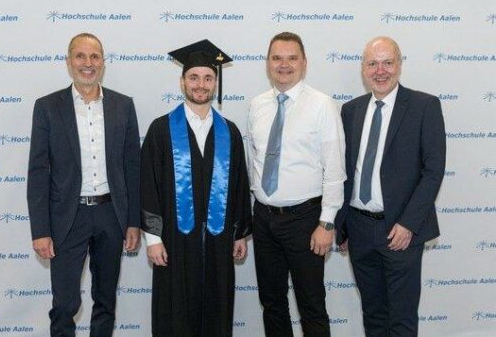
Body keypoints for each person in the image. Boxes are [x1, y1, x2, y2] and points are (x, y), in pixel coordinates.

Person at [27, 33, 140, 337]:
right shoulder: (48, 107)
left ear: (102, 63)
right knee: (65, 303)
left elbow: (132, 168)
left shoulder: (123, 106)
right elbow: (38, 172)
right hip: (67, 218)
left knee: (105, 300)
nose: (87, 64)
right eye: (80, 56)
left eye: (94, 57)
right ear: (68, 62)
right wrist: (41, 230)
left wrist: (133, 222)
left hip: (110, 216)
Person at [335, 36, 446, 337]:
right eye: (372, 63)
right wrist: (342, 225)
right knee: (373, 315)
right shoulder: (350, 110)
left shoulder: (425, 106)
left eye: (387, 62)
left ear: (399, 65)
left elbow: (433, 172)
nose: (380, 70)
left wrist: (408, 223)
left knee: (402, 319)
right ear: (363, 69)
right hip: (358, 229)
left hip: (400, 232)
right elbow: (345, 171)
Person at [140, 39, 252, 337]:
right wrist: (153, 238)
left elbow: (240, 185)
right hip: (174, 242)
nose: (200, 85)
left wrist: (240, 233)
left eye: (207, 78)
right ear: (182, 81)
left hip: (219, 241)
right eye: (194, 78)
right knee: (174, 311)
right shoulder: (161, 129)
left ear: (215, 82)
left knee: (216, 310)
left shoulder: (230, 131)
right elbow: (148, 184)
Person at [247, 31, 346, 337]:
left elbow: (335, 168)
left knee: (311, 305)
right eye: (277, 58)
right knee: (272, 302)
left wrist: (326, 223)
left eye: (292, 58)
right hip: (264, 218)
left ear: (304, 63)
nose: (284, 64)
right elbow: (255, 160)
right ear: (267, 63)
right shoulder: (257, 105)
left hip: (306, 221)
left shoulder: (322, 105)